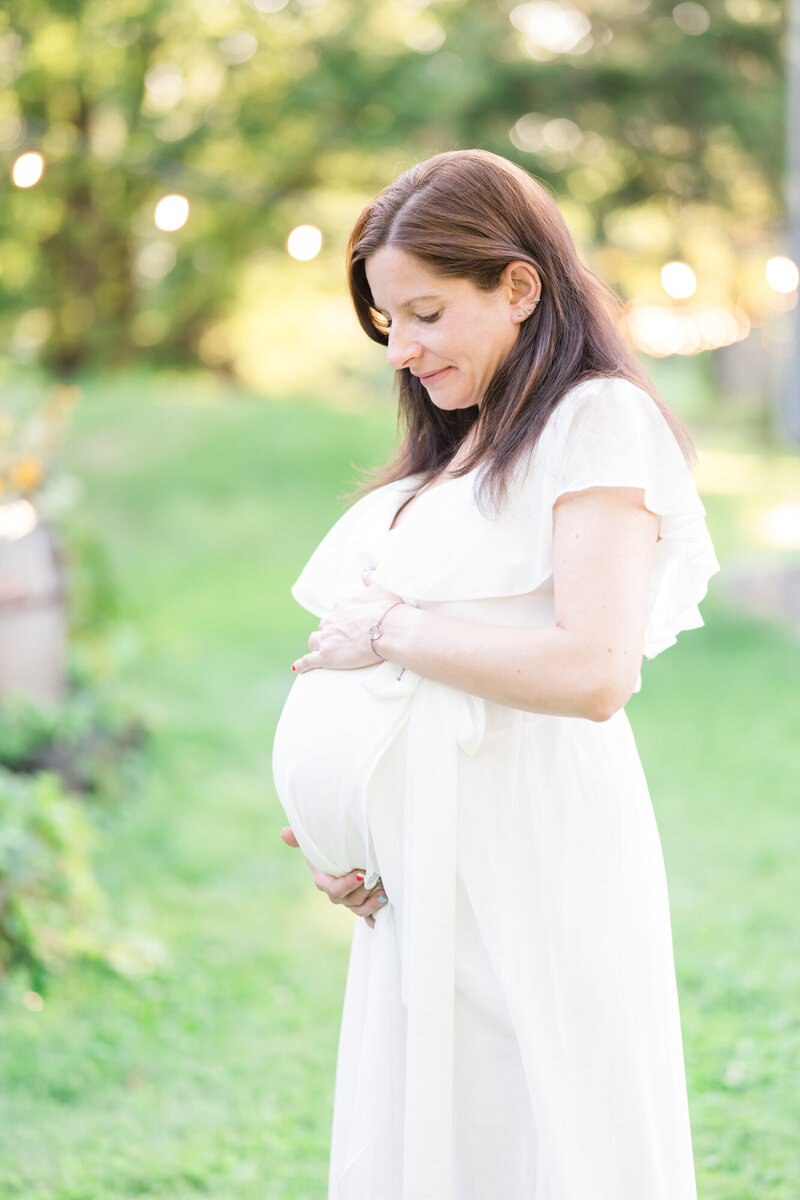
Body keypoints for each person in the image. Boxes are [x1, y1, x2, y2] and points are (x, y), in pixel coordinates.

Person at [271, 148, 719, 1200]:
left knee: (532, 1127)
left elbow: (592, 669)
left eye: (424, 313)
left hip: (529, 850)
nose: (401, 349)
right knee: (441, 1138)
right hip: (422, 866)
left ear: (517, 286)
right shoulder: (463, 446)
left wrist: (387, 626)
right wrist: (343, 823)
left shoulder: (595, 420)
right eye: (388, 323)